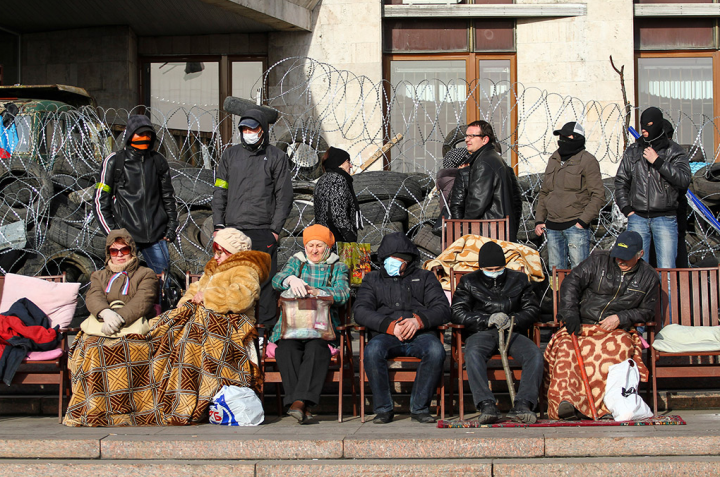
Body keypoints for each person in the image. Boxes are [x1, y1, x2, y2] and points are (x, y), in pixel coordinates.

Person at [64, 227, 270, 427]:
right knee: (160, 337)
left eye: (220, 252)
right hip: (197, 317)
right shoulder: (214, 269)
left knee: (187, 345)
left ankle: (179, 401)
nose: (216, 256)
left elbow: (241, 297)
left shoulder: (245, 269)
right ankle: (128, 400)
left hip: (228, 324)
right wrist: (190, 301)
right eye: (114, 251)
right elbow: (192, 292)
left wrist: (207, 298)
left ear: (231, 252)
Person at [545, 231, 659, 420]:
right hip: (583, 323)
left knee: (621, 346)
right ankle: (567, 402)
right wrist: (570, 312)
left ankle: (607, 406)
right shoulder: (598, 260)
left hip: (615, 330)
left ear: (640, 254)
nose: (620, 261)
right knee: (565, 348)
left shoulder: (648, 277)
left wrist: (621, 317)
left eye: (627, 258)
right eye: (618, 256)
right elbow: (571, 283)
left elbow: (647, 311)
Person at [353, 232, 450, 424]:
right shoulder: (372, 279)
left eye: (396, 259)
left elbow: (442, 308)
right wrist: (389, 326)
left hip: (420, 334)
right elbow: (360, 310)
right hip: (386, 334)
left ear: (407, 260)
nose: (391, 263)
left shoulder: (425, 277)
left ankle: (420, 408)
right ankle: (383, 409)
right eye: (388, 259)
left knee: (436, 350)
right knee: (372, 351)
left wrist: (418, 321)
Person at [212, 109, 293, 328]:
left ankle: (264, 334)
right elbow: (220, 190)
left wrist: (275, 230)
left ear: (263, 130)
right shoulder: (230, 155)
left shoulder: (276, 156)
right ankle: (231, 331)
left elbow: (284, 196)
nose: (248, 133)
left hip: (263, 230)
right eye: (244, 129)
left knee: (265, 284)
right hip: (233, 231)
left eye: (253, 129)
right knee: (231, 282)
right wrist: (218, 225)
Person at [451, 241, 542, 424]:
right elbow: (457, 312)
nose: (494, 272)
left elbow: (532, 309)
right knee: (473, 353)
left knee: (534, 354)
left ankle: (523, 404)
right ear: (481, 267)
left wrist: (513, 320)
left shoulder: (520, 280)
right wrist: (487, 320)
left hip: (512, 331)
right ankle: (486, 404)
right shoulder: (468, 282)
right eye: (489, 269)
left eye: (498, 268)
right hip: (481, 332)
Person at [269, 224, 350, 423]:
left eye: (319, 245)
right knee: (286, 350)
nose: (314, 250)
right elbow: (276, 280)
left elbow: (343, 294)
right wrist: (290, 280)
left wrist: (316, 291)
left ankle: (297, 402)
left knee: (316, 350)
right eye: (310, 245)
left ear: (327, 247)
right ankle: (302, 403)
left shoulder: (338, 267)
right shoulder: (297, 262)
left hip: (321, 328)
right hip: (292, 327)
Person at [94, 114, 178, 274]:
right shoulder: (114, 162)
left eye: (148, 135)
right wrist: (114, 234)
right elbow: (100, 201)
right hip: (125, 237)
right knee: (120, 283)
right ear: (131, 135)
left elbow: (168, 197)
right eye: (140, 134)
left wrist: (171, 228)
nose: (145, 138)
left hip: (155, 237)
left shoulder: (158, 161)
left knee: (162, 284)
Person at [614, 107, 691, 269]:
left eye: (649, 125)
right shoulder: (633, 151)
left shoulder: (673, 151)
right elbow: (621, 181)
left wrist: (658, 162)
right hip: (638, 218)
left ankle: (666, 296)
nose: (644, 129)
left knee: (667, 270)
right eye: (642, 125)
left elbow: (683, 179)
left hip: (665, 218)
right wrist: (627, 209)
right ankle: (644, 296)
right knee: (638, 270)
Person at [534, 122, 604, 270]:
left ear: (577, 138)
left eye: (566, 136)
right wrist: (539, 219)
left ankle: (578, 295)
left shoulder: (587, 160)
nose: (562, 140)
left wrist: (582, 222)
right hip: (552, 226)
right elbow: (545, 192)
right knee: (555, 272)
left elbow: (598, 194)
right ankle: (558, 294)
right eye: (561, 136)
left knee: (579, 272)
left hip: (575, 226)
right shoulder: (554, 159)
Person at [449, 120, 519, 241]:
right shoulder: (492, 158)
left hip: (488, 230)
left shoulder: (484, 162)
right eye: (467, 135)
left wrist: (464, 228)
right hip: (499, 228)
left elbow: (477, 201)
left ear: (485, 139)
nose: (466, 140)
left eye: (472, 136)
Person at [313, 147, 362, 243]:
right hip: (338, 242)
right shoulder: (338, 180)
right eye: (348, 161)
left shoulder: (322, 180)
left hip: (324, 239)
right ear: (339, 162)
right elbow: (338, 214)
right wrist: (351, 238)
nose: (351, 166)